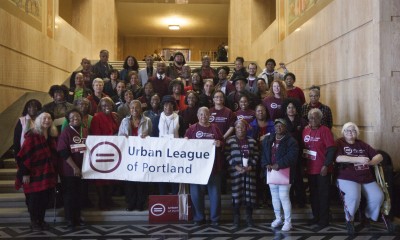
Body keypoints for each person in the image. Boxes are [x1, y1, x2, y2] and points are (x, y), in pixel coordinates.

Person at [335, 122, 384, 235]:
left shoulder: (362, 144)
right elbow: (338, 158)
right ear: (343, 132)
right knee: (354, 196)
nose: (350, 133)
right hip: (347, 176)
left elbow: (379, 156)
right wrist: (358, 159)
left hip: (365, 176)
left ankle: (366, 215)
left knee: (378, 196)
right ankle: (349, 220)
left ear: (357, 133)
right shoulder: (339, 143)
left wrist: (371, 162)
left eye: (353, 130)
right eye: (347, 130)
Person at [15, 111, 58, 231]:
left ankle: (41, 220)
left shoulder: (51, 135)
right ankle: (34, 222)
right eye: (44, 118)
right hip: (33, 173)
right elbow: (23, 155)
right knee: (34, 199)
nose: (47, 120)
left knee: (44, 199)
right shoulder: (32, 135)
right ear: (38, 120)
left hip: (47, 173)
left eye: (49, 118)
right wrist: (25, 173)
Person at [185, 107, 224, 226]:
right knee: (196, 195)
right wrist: (185, 141)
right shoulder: (191, 129)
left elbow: (223, 143)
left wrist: (219, 143)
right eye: (201, 114)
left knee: (215, 195)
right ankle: (199, 218)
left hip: (213, 168)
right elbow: (184, 147)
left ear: (209, 116)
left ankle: (215, 218)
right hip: (196, 169)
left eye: (206, 114)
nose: (203, 116)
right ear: (197, 115)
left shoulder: (215, 128)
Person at [261, 118, 299, 231]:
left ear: (285, 128)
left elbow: (292, 157)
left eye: (281, 125)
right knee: (274, 197)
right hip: (271, 173)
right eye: (276, 125)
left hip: (285, 173)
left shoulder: (291, 141)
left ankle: (288, 222)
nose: (278, 127)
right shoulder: (268, 139)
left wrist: (279, 164)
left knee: (284, 197)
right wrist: (266, 164)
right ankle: (278, 218)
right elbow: (263, 154)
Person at [302, 108, 336, 230]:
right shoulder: (305, 131)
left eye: (316, 117)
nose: (313, 119)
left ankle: (324, 219)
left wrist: (326, 165)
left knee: (323, 195)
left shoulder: (325, 130)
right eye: (311, 117)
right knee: (313, 195)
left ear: (320, 119)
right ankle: (316, 217)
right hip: (310, 169)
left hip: (323, 169)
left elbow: (331, 149)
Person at [118, 100, 152, 211]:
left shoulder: (147, 121)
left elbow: (152, 137)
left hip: (142, 156)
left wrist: (147, 136)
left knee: (141, 180)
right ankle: (131, 203)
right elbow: (119, 137)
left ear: (141, 109)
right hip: (128, 156)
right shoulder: (124, 121)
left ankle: (141, 203)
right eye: (132, 108)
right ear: (129, 109)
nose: (134, 110)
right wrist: (122, 137)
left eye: (137, 108)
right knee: (129, 181)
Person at [225, 119, 259, 229]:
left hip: (250, 173)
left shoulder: (252, 141)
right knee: (236, 195)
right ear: (235, 129)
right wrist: (236, 166)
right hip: (236, 173)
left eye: (243, 127)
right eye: (238, 127)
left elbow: (256, 155)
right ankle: (236, 218)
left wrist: (250, 166)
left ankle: (249, 218)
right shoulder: (230, 141)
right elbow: (227, 155)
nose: (240, 129)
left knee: (250, 195)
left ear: (246, 128)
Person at [57, 109, 87, 229]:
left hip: (83, 170)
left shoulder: (84, 131)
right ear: (68, 120)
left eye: (77, 116)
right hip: (69, 170)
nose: (75, 118)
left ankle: (77, 217)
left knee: (79, 195)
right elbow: (63, 152)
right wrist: (75, 167)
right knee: (69, 195)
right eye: (72, 117)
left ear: (81, 118)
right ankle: (70, 219)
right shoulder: (66, 132)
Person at [89, 97, 120, 210]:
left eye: (109, 105)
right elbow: (96, 137)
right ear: (100, 107)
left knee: (110, 178)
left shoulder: (114, 116)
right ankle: (102, 202)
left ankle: (109, 200)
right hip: (101, 151)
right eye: (104, 105)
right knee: (101, 179)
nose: (107, 107)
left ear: (112, 106)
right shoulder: (97, 117)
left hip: (113, 151)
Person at [151, 95, 185, 195]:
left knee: (174, 174)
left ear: (174, 106)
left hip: (175, 152)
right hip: (161, 152)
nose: (168, 107)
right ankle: (163, 196)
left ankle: (174, 196)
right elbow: (154, 135)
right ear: (163, 106)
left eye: (170, 105)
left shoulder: (180, 118)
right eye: (166, 105)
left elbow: (182, 134)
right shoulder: (156, 119)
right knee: (162, 175)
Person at [282, 98, 307, 208]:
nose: (291, 109)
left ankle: (301, 201)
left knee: (298, 178)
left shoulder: (302, 121)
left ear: (297, 109)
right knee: (287, 178)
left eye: (293, 107)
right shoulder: (282, 121)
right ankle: (289, 201)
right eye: (289, 107)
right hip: (286, 154)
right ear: (286, 109)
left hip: (299, 153)